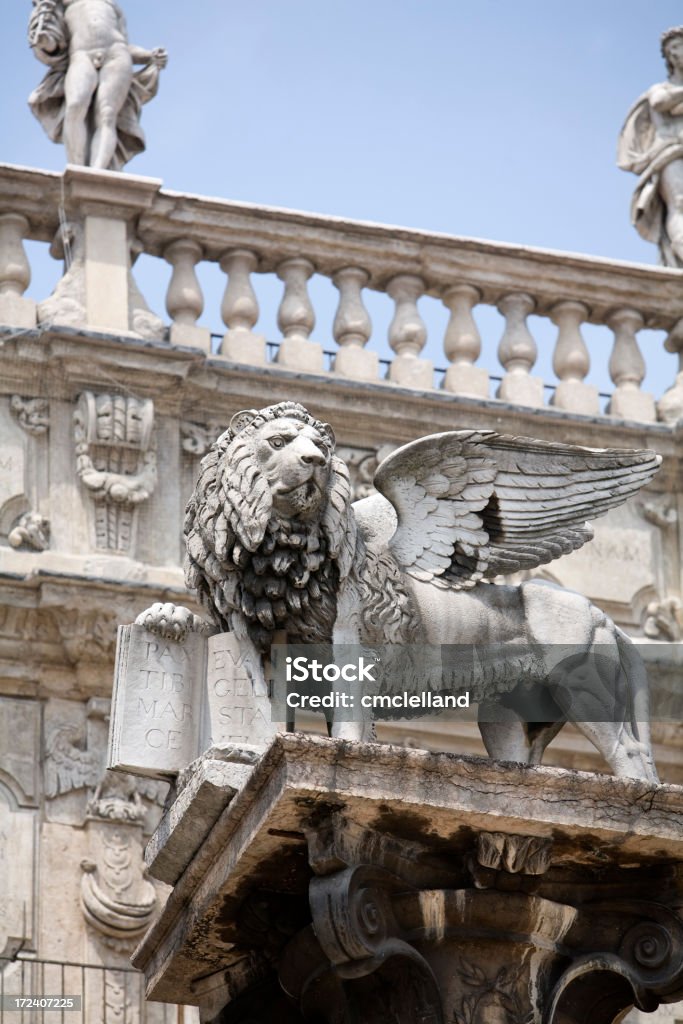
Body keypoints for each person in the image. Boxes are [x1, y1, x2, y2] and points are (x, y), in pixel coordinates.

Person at [28, 0, 167, 171]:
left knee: (107, 114)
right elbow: (54, 43)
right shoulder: (62, 5)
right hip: (81, 54)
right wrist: (44, 40)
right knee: (75, 105)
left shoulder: (112, 6)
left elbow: (123, 43)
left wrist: (149, 55)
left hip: (116, 55)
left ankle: (98, 172)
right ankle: (77, 169)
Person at [618, 26, 683, 267]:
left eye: (680, 46)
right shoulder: (661, 89)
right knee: (680, 203)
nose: (677, 52)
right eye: (672, 49)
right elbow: (660, 102)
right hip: (671, 153)